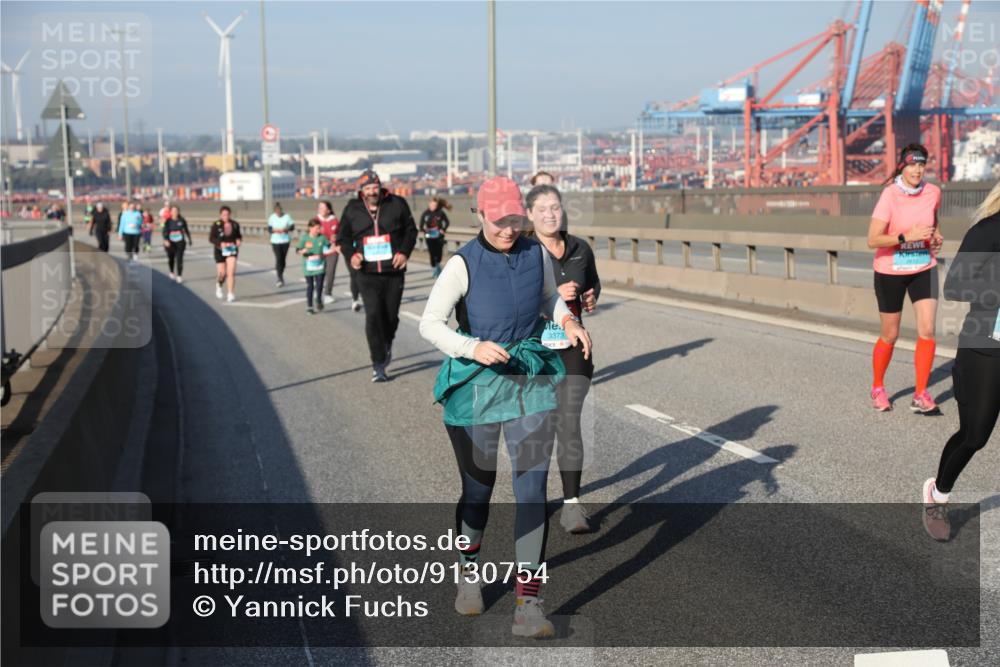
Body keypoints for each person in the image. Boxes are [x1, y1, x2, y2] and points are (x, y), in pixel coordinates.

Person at [419, 176, 592, 638]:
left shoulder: (536, 253)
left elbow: (549, 298)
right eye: (499, 221)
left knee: (532, 490)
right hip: (476, 384)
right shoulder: (462, 264)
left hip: (527, 380)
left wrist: (568, 322)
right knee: (478, 490)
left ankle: (527, 605)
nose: (509, 229)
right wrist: (472, 347)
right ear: (479, 215)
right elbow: (430, 324)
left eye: (515, 219)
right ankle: (468, 571)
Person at [922, 180, 1000, 541]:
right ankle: (937, 495)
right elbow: (954, 286)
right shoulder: (988, 230)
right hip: (985, 348)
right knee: (975, 435)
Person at [525, 184, 601, 533]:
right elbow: (512, 300)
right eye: (542, 209)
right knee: (538, 427)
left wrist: (591, 297)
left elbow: (593, 284)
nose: (550, 214)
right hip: (535, 351)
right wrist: (553, 295)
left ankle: (571, 505)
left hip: (573, 348)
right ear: (529, 214)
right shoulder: (523, 252)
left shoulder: (580, 249)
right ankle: (533, 498)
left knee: (569, 422)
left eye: (555, 207)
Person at [866, 144, 944, 414]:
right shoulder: (890, 195)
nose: (917, 170)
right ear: (902, 166)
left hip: (923, 267)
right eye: (912, 165)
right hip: (890, 271)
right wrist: (904, 237)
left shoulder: (933, 192)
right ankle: (878, 387)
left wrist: (935, 236)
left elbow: (933, 219)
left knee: (927, 330)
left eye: (921, 165)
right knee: (890, 334)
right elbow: (873, 239)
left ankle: (921, 394)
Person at [336, 170, 418, 382]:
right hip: (367, 273)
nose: (372, 192)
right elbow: (342, 238)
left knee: (390, 317)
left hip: (393, 271)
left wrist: (404, 252)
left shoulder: (396, 204)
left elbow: (411, 231)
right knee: (373, 316)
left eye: (375, 187)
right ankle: (378, 364)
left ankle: (387, 342)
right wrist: (351, 254)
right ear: (361, 191)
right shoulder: (352, 209)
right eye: (368, 188)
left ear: (380, 187)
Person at [296, 218, 333, 314]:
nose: (319, 230)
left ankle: (319, 300)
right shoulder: (304, 238)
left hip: (320, 266)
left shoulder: (322, 238)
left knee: (319, 285)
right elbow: (297, 250)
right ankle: (309, 306)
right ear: (310, 228)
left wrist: (332, 247)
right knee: (310, 286)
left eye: (319, 228)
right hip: (308, 267)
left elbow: (329, 247)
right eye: (317, 228)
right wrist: (302, 251)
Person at [209, 205, 242, 302]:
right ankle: (219, 285)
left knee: (231, 272)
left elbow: (238, 236)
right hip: (220, 250)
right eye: (223, 215)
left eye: (227, 214)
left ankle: (230, 293)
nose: (225, 216)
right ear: (220, 215)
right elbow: (211, 238)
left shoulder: (235, 224)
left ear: (230, 214)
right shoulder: (216, 224)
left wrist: (238, 240)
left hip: (231, 249)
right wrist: (220, 243)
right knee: (222, 273)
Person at [312, 200, 343, 303]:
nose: (320, 209)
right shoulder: (315, 220)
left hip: (332, 250)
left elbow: (341, 233)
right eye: (319, 207)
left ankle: (328, 294)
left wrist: (337, 238)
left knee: (330, 272)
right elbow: (311, 234)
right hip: (319, 250)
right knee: (319, 271)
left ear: (328, 210)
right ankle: (318, 290)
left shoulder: (335, 221)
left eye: (322, 208)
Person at [420, 196, 451, 278]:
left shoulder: (440, 213)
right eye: (432, 205)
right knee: (432, 253)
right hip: (429, 237)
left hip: (439, 236)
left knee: (439, 253)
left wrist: (443, 229)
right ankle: (435, 268)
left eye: (435, 205)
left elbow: (447, 222)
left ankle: (438, 266)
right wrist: (425, 230)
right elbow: (421, 226)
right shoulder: (425, 213)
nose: (433, 207)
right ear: (429, 204)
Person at [162, 204, 193, 283]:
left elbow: (186, 230)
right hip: (170, 242)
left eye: (176, 211)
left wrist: (189, 239)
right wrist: (166, 240)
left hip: (180, 242)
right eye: (173, 211)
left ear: (178, 212)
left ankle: (179, 275)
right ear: (171, 212)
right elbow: (164, 231)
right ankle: (171, 271)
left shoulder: (182, 220)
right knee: (171, 258)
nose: (174, 212)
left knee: (179, 259)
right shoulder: (168, 221)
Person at [268, 202, 295, 287]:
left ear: (281, 210)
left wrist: (286, 229)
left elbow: (292, 227)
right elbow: (269, 229)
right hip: (275, 241)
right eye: (276, 211)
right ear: (274, 211)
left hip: (285, 241)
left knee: (283, 260)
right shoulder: (272, 217)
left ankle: (281, 273)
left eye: (279, 211)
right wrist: (275, 230)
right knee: (278, 258)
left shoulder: (287, 216)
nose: (278, 213)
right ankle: (279, 278)